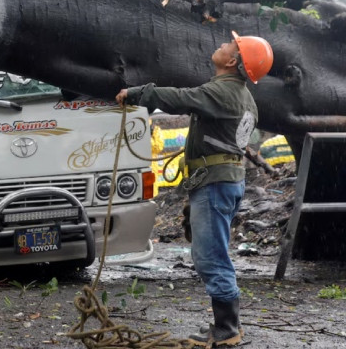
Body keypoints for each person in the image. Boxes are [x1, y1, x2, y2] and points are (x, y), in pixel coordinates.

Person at [115, 31, 273, 347]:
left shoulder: (222, 93)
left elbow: (181, 98)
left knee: (210, 256)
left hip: (215, 184)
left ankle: (227, 328)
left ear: (232, 61)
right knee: (211, 252)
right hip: (223, 180)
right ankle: (226, 323)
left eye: (230, 45)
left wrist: (137, 94)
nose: (222, 44)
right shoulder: (245, 98)